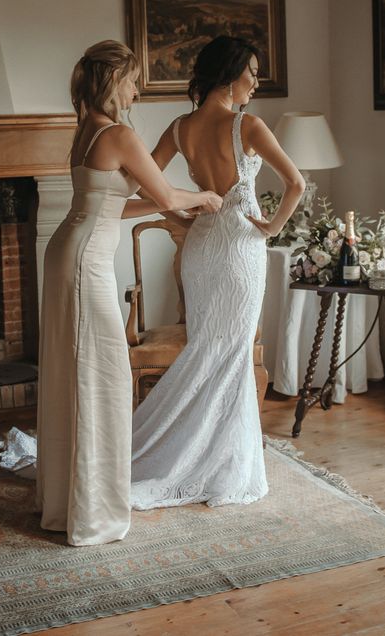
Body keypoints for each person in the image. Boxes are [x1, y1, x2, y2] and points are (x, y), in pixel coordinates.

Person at [37, 40, 222, 546]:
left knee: (78, 373)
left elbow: (113, 207)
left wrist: (173, 211)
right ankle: (91, 511)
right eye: (133, 79)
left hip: (68, 254)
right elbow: (162, 192)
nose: (137, 89)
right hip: (83, 264)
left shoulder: (87, 130)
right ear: (113, 80)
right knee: (102, 374)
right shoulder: (117, 133)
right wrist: (201, 197)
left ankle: (68, 501)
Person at [129, 36, 306, 510]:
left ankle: (207, 456)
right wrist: (270, 227)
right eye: (251, 72)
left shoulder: (180, 127)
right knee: (229, 355)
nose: (255, 82)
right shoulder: (247, 125)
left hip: (202, 248)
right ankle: (219, 465)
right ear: (229, 76)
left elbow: (150, 185)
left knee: (212, 348)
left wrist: (177, 215)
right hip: (239, 251)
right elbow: (296, 183)